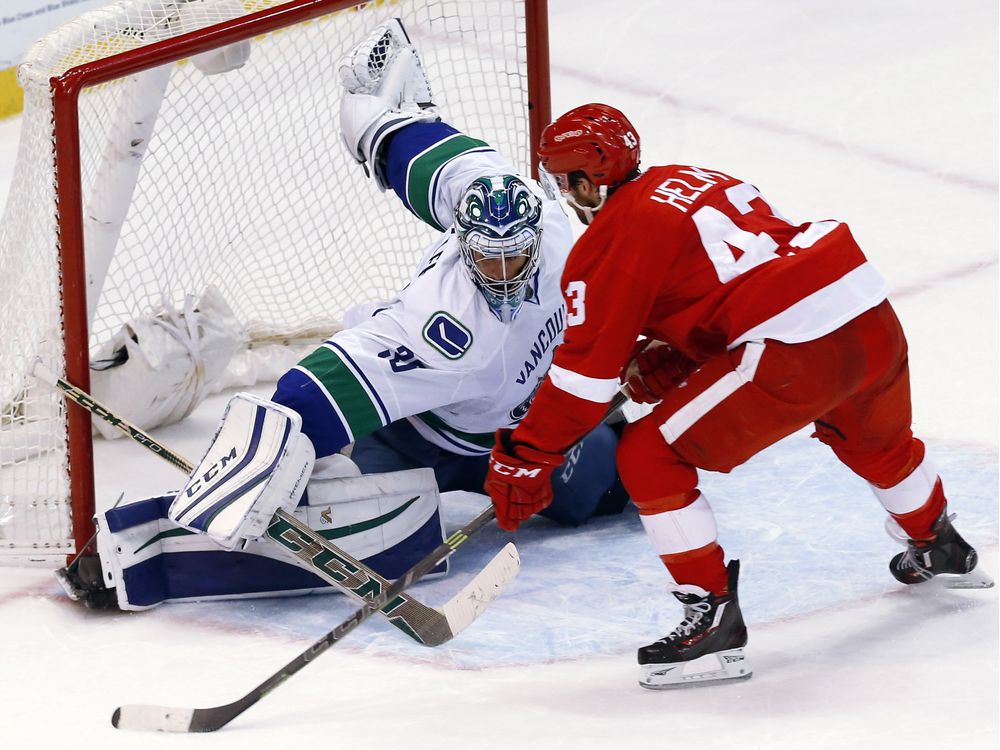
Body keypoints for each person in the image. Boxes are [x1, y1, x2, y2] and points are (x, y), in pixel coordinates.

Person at [63, 25, 625, 611]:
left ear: (539, 232)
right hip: (414, 436)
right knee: (335, 516)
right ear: (465, 238)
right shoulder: (447, 329)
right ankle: (139, 557)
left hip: (520, 435)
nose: (504, 269)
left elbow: (422, 151)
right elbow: (316, 389)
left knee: (605, 490)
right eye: (489, 254)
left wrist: (377, 118)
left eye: (517, 254)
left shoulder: (542, 220)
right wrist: (270, 460)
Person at [482, 102, 991, 688]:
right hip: (865, 312)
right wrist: (687, 349)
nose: (565, 196)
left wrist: (525, 457)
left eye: (561, 181)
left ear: (581, 178)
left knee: (649, 454)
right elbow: (734, 275)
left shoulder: (610, 240)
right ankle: (939, 542)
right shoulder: (691, 178)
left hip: (793, 347)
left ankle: (711, 618)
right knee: (875, 442)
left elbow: (582, 383)